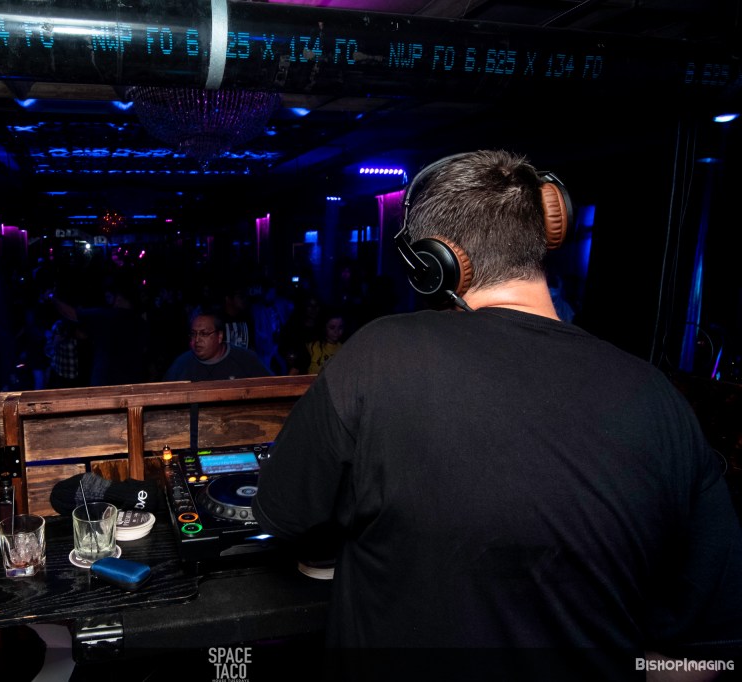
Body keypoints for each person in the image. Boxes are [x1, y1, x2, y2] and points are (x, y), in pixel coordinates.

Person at [252, 150, 742, 680]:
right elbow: (708, 651)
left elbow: (283, 514)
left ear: (434, 264)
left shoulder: (380, 354)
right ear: (549, 233)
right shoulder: (658, 397)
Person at [163, 308, 271, 382]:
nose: (196, 340)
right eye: (193, 334)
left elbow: (271, 387)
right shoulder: (181, 364)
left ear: (219, 336)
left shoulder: (246, 359)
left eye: (204, 334)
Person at [305, 309, 345, 374]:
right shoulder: (312, 346)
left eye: (340, 327)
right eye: (332, 327)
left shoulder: (344, 348)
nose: (336, 331)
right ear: (324, 327)